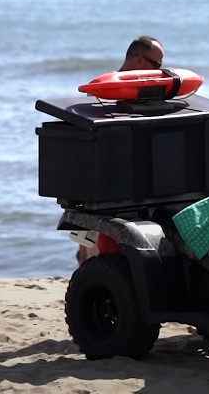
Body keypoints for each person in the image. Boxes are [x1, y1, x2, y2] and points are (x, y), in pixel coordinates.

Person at [76, 35, 166, 265]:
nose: (159, 70)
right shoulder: (104, 91)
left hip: (130, 182)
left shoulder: (146, 92)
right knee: (89, 247)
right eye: (156, 64)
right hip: (103, 179)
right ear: (138, 60)